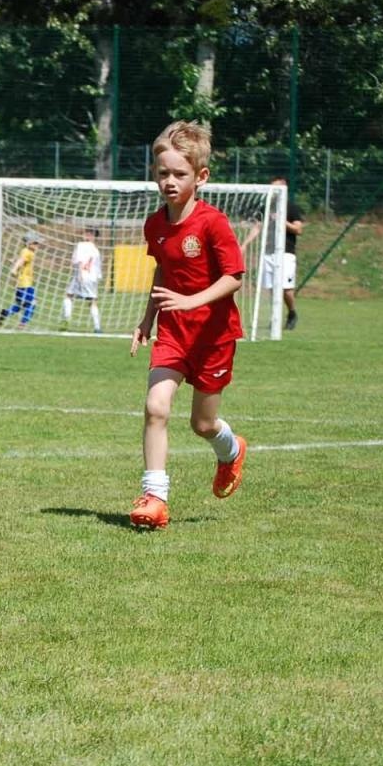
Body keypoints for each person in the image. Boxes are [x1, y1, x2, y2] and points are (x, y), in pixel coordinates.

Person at [127, 120, 249, 532]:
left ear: (201, 176)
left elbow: (234, 276)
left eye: (179, 174)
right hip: (174, 334)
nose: (169, 181)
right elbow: (163, 270)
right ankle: (154, 498)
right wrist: (147, 319)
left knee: (202, 424)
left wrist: (190, 301)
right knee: (155, 407)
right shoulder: (155, 225)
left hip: (214, 337)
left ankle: (230, 451)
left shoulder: (212, 223)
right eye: (163, 173)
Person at [261, 176, 304, 331]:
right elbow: (259, 226)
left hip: (286, 253)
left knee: (285, 289)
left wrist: (282, 221)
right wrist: (244, 244)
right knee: (272, 288)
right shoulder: (267, 206)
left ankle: (292, 312)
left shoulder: (291, 208)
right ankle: (275, 318)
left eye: (277, 188)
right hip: (269, 252)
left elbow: (298, 229)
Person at [63, 226, 103, 333]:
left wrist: (80, 274)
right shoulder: (95, 250)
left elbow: (79, 261)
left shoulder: (80, 245)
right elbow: (97, 268)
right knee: (92, 302)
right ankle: (97, 327)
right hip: (92, 278)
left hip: (81, 276)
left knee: (68, 296)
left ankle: (66, 321)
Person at [0, 232, 40, 327]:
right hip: (25, 284)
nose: (38, 245)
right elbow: (21, 261)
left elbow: (21, 259)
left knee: (21, 305)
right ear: (28, 243)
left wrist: (14, 260)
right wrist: (14, 268)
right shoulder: (27, 252)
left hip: (23, 283)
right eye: (35, 243)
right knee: (32, 303)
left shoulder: (27, 251)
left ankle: (6, 313)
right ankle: (23, 323)